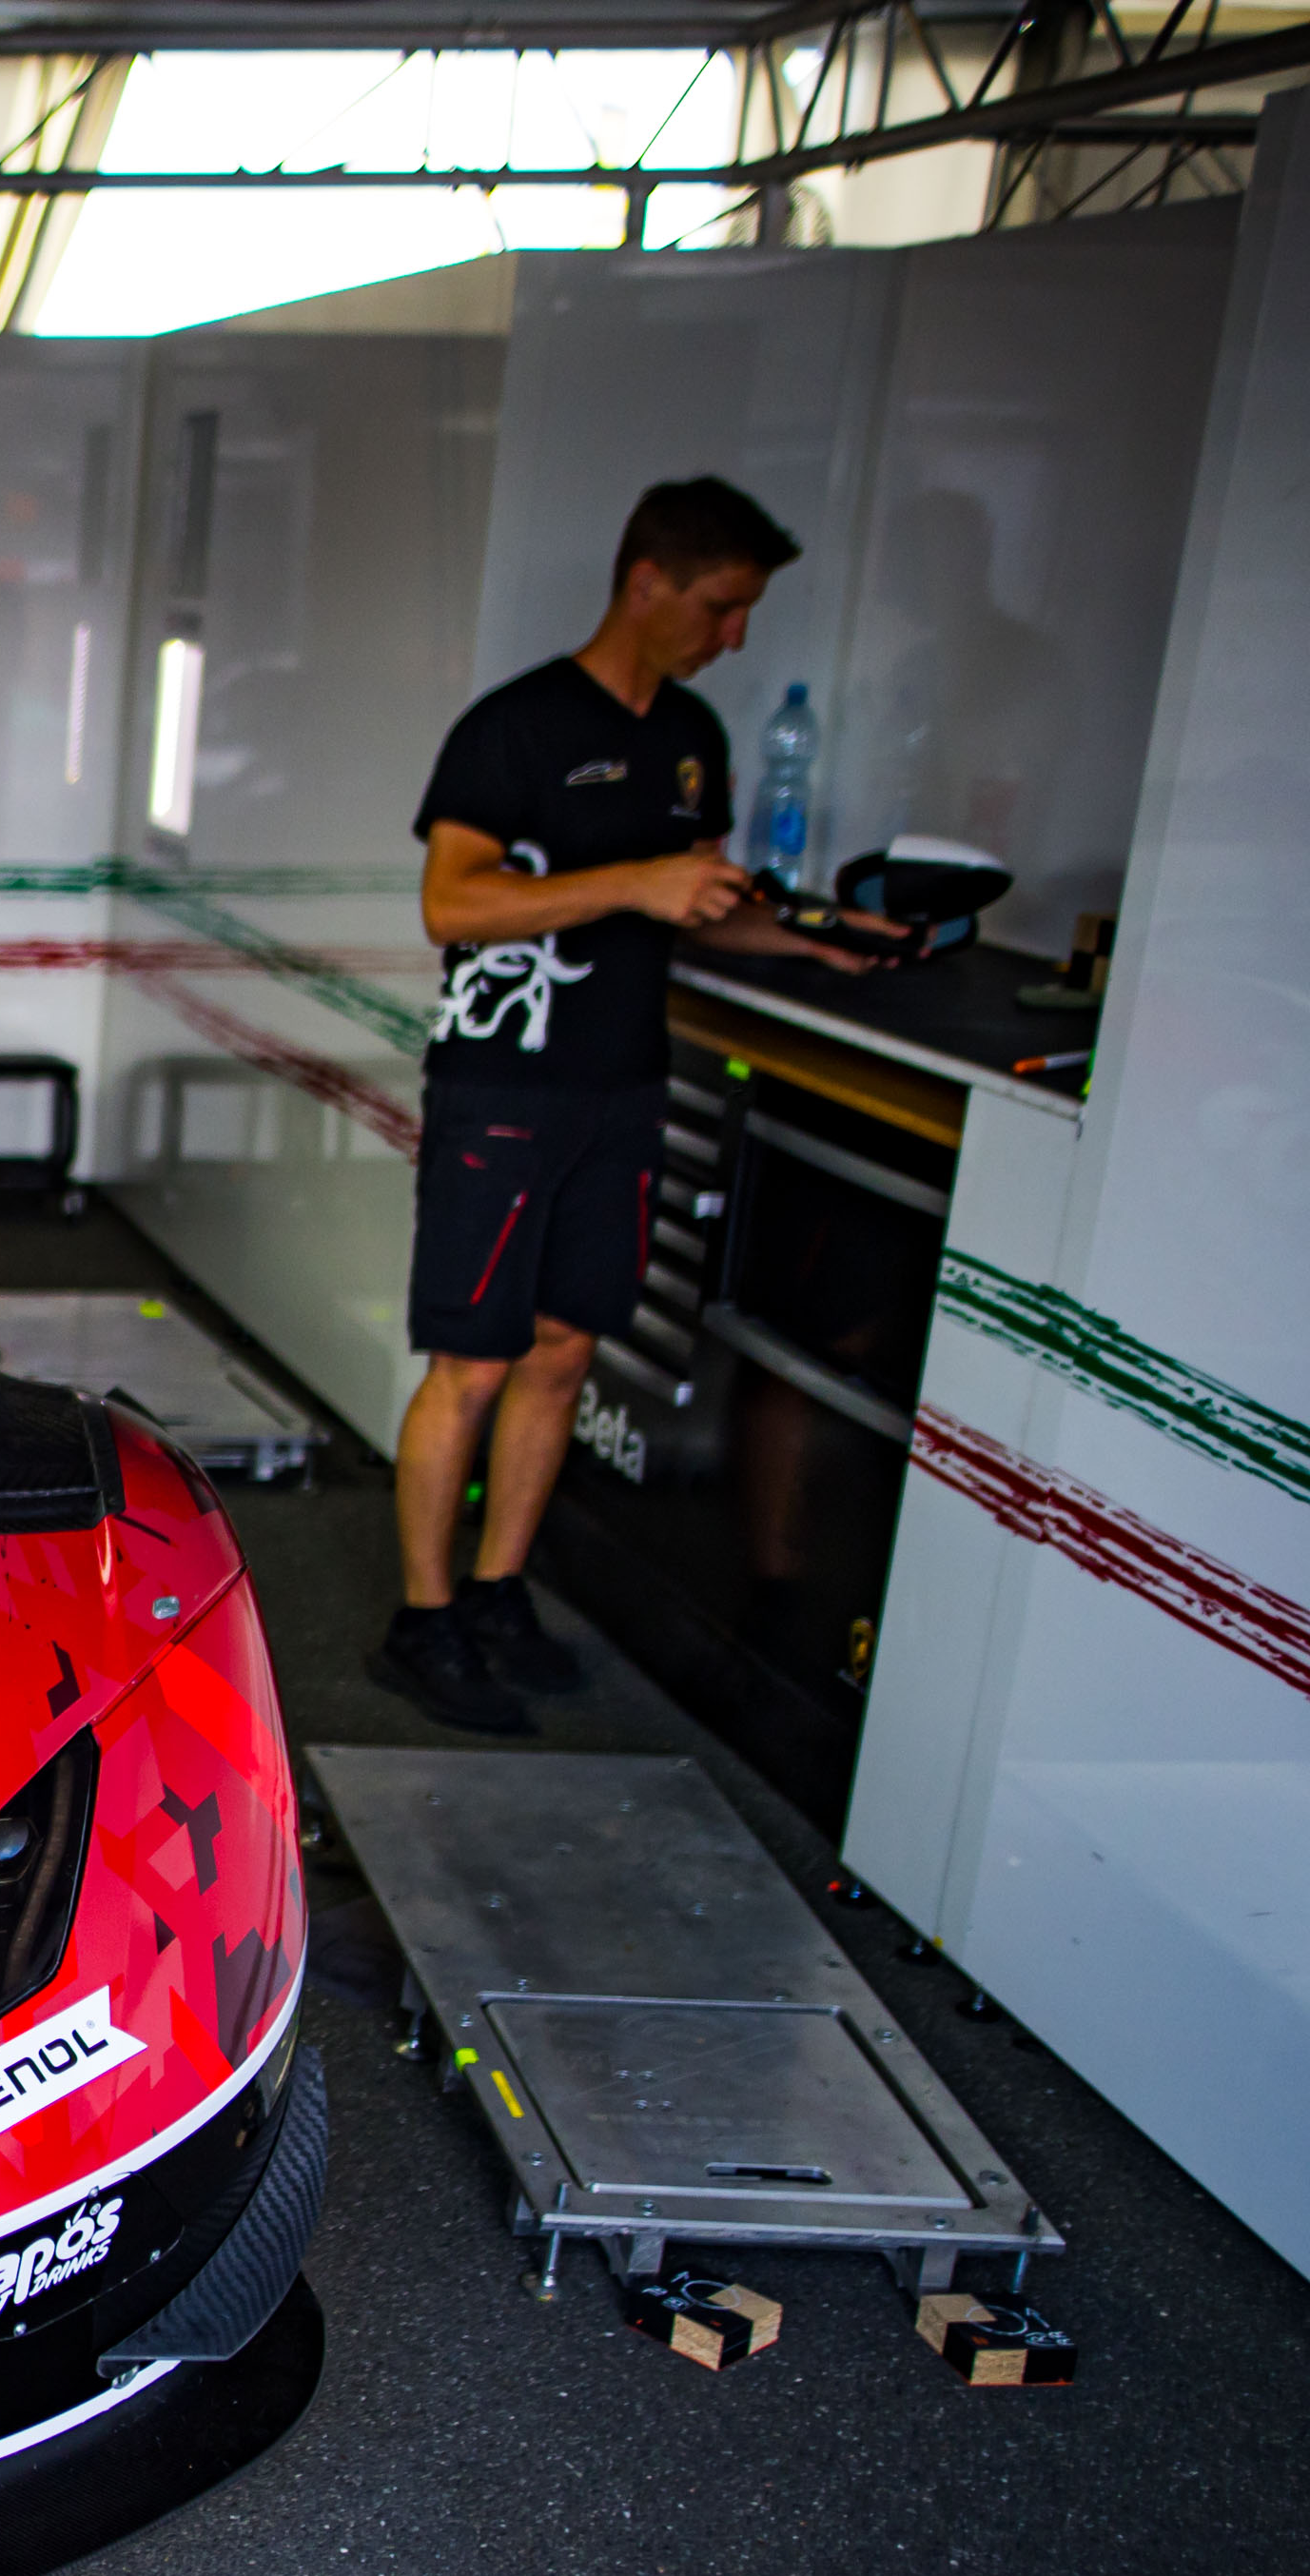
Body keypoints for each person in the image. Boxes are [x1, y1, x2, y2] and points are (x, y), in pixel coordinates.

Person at [372, 475, 897, 1733]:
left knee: (563, 1353)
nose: (735, 635)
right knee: (474, 1365)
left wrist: (814, 939)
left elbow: (691, 903)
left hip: (622, 1089)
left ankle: (499, 1591)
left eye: (747, 611)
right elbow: (453, 904)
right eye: (721, 606)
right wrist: (635, 882)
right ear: (647, 581)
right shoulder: (516, 728)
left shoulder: (693, 739)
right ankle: (423, 1620)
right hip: (504, 1086)